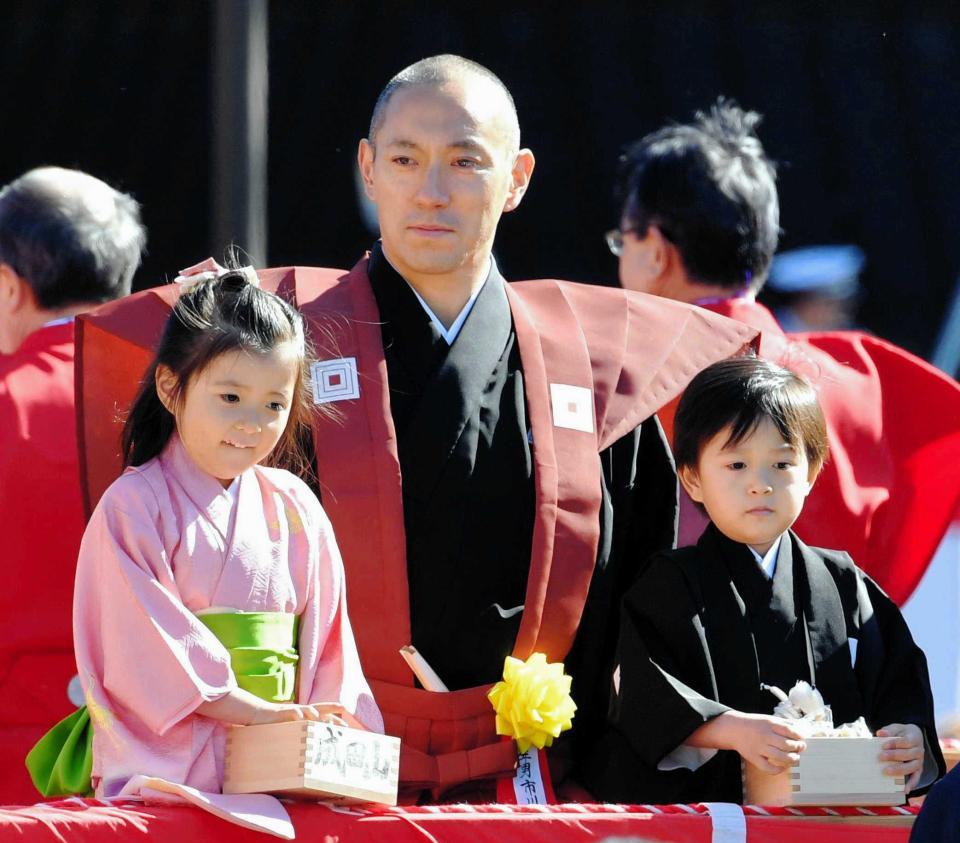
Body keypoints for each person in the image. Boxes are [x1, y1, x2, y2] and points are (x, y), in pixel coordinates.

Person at [72, 55, 757, 802]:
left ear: (518, 177)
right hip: (318, 781)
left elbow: (640, 598)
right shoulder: (277, 352)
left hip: (534, 781)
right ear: (368, 168)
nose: (432, 191)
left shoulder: (591, 367)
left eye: (466, 161)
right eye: (405, 159)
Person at [35, 266, 381, 807]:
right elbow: (146, 650)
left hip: (278, 763)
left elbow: (329, 645)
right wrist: (252, 709)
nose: (252, 424)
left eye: (274, 404)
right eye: (230, 397)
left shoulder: (296, 506)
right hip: (174, 763)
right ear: (172, 387)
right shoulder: (134, 506)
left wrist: (320, 729)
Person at [610, 100, 960, 605]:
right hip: (850, 667)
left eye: (624, 242)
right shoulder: (869, 377)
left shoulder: (638, 387)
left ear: (656, 251)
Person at [586, 356, 944, 803]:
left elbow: (898, 678)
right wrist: (730, 729)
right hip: (713, 813)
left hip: (833, 809)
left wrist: (906, 735)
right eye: (736, 466)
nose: (760, 485)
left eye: (781, 464)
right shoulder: (669, 583)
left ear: (811, 473)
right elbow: (643, 690)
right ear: (693, 479)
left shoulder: (842, 581)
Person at [0, 167, 145, 803]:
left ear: (8, 288)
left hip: (17, 761)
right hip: (170, 758)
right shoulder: (193, 398)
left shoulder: (9, 400)